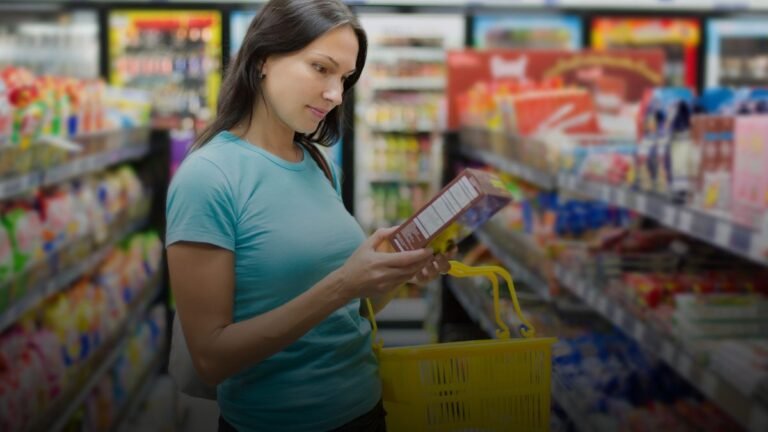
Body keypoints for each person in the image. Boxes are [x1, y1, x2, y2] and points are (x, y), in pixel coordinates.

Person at [165, 1, 451, 430]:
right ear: (263, 59)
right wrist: (343, 285)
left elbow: (352, 309)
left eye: (345, 78)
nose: (336, 94)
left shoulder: (318, 163)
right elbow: (210, 358)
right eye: (321, 69)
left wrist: (395, 271)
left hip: (367, 408)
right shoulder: (208, 177)